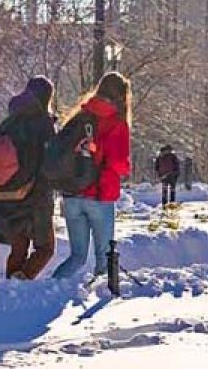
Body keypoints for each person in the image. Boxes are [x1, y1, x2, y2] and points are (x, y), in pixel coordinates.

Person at [51, 72, 133, 280]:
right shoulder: (116, 122)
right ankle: (103, 299)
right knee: (104, 257)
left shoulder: (80, 115)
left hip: (71, 193)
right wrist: (125, 168)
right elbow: (118, 163)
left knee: (77, 256)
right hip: (99, 194)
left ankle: (51, 289)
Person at [0, 77, 59, 280]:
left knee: (19, 248)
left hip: (7, 194)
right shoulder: (44, 125)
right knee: (46, 248)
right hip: (34, 197)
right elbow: (49, 163)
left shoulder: (11, 121)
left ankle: (11, 287)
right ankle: (21, 281)